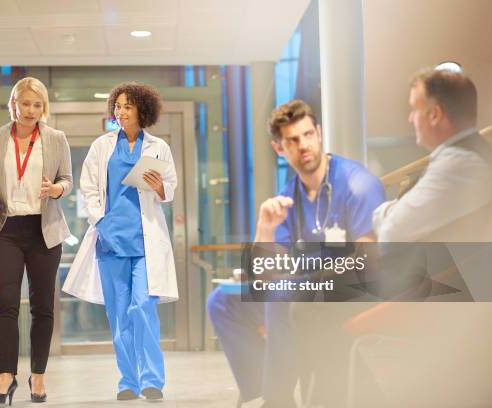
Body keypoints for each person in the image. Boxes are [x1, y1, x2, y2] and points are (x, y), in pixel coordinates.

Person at [207, 99, 385, 407]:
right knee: (223, 302)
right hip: (299, 293)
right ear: (280, 149)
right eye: (292, 140)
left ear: (319, 133)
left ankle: (277, 399)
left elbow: (369, 261)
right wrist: (265, 228)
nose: (303, 145)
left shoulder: (356, 183)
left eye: (307, 135)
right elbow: (264, 273)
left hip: (351, 291)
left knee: (281, 295)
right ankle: (263, 390)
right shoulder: (288, 197)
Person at [62, 82, 178, 401]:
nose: (121, 111)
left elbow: (170, 189)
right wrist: (100, 221)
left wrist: (159, 188)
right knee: (119, 315)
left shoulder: (158, 147)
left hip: (145, 242)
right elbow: (88, 188)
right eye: (118, 106)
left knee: (142, 307)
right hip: (110, 239)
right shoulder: (103, 146)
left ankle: (152, 378)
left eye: (128, 106)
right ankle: (128, 381)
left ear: (142, 110)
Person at [0, 77, 73, 405]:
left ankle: (38, 376)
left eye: (37, 104)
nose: (30, 110)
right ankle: (6, 377)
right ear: (13, 104)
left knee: (43, 306)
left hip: (44, 230)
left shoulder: (56, 138)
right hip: (6, 230)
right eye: (25, 103)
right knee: (6, 304)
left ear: (43, 107)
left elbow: (67, 180)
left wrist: (56, 190)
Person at [374, 68, 492, 242]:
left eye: (414, 109)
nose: (410, 118)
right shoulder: (469, 155)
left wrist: (386, 212)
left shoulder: (458, 163)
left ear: (435, 115)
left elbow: (391, 234)